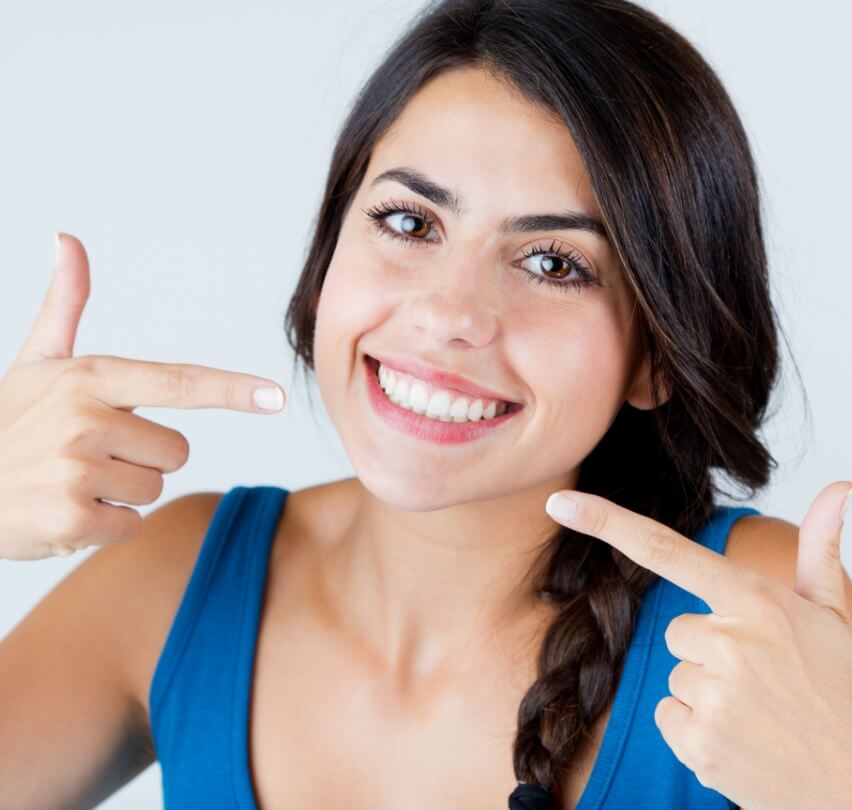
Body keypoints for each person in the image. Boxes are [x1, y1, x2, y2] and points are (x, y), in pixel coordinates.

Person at [1, 0, 850, 808]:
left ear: (658, 354)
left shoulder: (762, 621)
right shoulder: (177, 581)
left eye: (553, 264)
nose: (449, 317)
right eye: (410, 223)